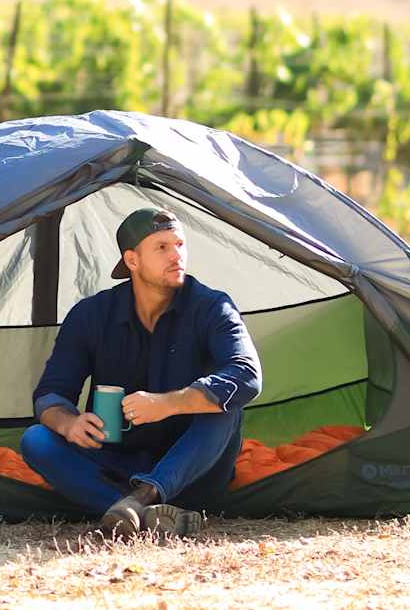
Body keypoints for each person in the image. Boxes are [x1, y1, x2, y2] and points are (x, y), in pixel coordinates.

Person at [20, 206, 262, 538]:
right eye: (161, 247)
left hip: (192, 470)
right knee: (36, 440)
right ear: (132, 261)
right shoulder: (91, 315)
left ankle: (140, 500)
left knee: (225, 405)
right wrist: (69, 423)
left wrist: (168, 404)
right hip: (118, 464)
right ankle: (147, 515)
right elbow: (49, 394)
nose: (176, 255)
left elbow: (247, 376)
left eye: (179, 244)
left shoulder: (213, 307)